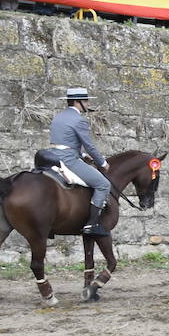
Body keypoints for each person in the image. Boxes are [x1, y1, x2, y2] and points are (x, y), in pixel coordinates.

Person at [46, 88, 113, 237]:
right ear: (78, 102)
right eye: (86, 101)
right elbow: (89, 145)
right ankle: (91, 224)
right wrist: (102, 163)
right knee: (103, 184)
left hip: (52, 156)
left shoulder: (58, 116)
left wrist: (82, 154)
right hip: (68, 159)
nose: (88, 104)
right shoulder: (79, 120)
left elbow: (65, 141)